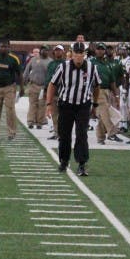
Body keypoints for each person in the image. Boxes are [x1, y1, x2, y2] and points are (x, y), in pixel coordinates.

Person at [45, 41, 101, 176]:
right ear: (72, 54)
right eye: (76, 53)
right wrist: (48, 104)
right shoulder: (63, 67)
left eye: (81, 53)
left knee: (82, 134)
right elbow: (52, 85)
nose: (79, 56)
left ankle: (82, 164)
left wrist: (95, 104)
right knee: (64, 135)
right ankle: (64, 161)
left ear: (85, 54)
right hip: (66, 105)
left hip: (83, 105)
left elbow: (97, 86)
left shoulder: (92, 68)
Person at [21, 46, 51, 129]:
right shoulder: (33, 59)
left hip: (44, 87)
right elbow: (27, 70)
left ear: (48, 51)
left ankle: (40, 122)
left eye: (46, 50)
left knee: (42, 105)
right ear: (41, 51)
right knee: (32, 104)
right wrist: (23, 82)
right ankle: (30, 121)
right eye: (43, 49)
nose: (44, 51)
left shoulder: (50, 62)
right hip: (33, 85)